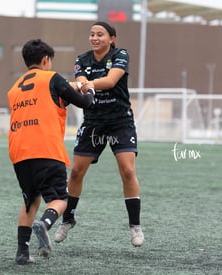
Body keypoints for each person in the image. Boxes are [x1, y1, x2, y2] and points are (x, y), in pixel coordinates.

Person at [54, 21, 144, 247]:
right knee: (75, 172)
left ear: (112, 38)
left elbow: (111, 81)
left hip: (119, 122)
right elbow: (83, 81)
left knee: (127, 170)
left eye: (100, 34)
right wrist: (81, 83)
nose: (95, 38)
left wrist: (83, 84)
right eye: (92, 34)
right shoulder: (82, 59)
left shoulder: (121, 55)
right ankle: (68, 219)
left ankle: (135, 225)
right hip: (93, 123)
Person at [7, 38, 95, 265]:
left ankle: (22, 253)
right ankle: (44, 225)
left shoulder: (14, 88)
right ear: (46, 60)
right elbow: (84, 103)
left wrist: (67, 90)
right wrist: (90, 90)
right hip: (45, 148)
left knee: (30, 201)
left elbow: (50, 104)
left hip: (19, 152)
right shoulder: (52, 78)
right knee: (59, 198)